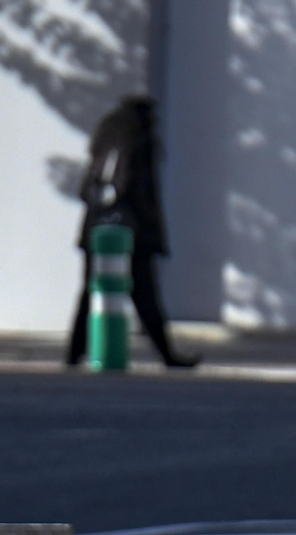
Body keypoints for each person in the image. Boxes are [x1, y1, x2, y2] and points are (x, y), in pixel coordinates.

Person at [67, 95, 197, 369]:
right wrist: (152, 233)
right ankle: (167, 354)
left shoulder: (106, 138)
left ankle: (74, 352)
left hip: (97, 229)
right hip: (131, 233)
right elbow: (135, 189)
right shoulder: (139, 141)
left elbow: (92, 187)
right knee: (146, 295)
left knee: (93, 290)